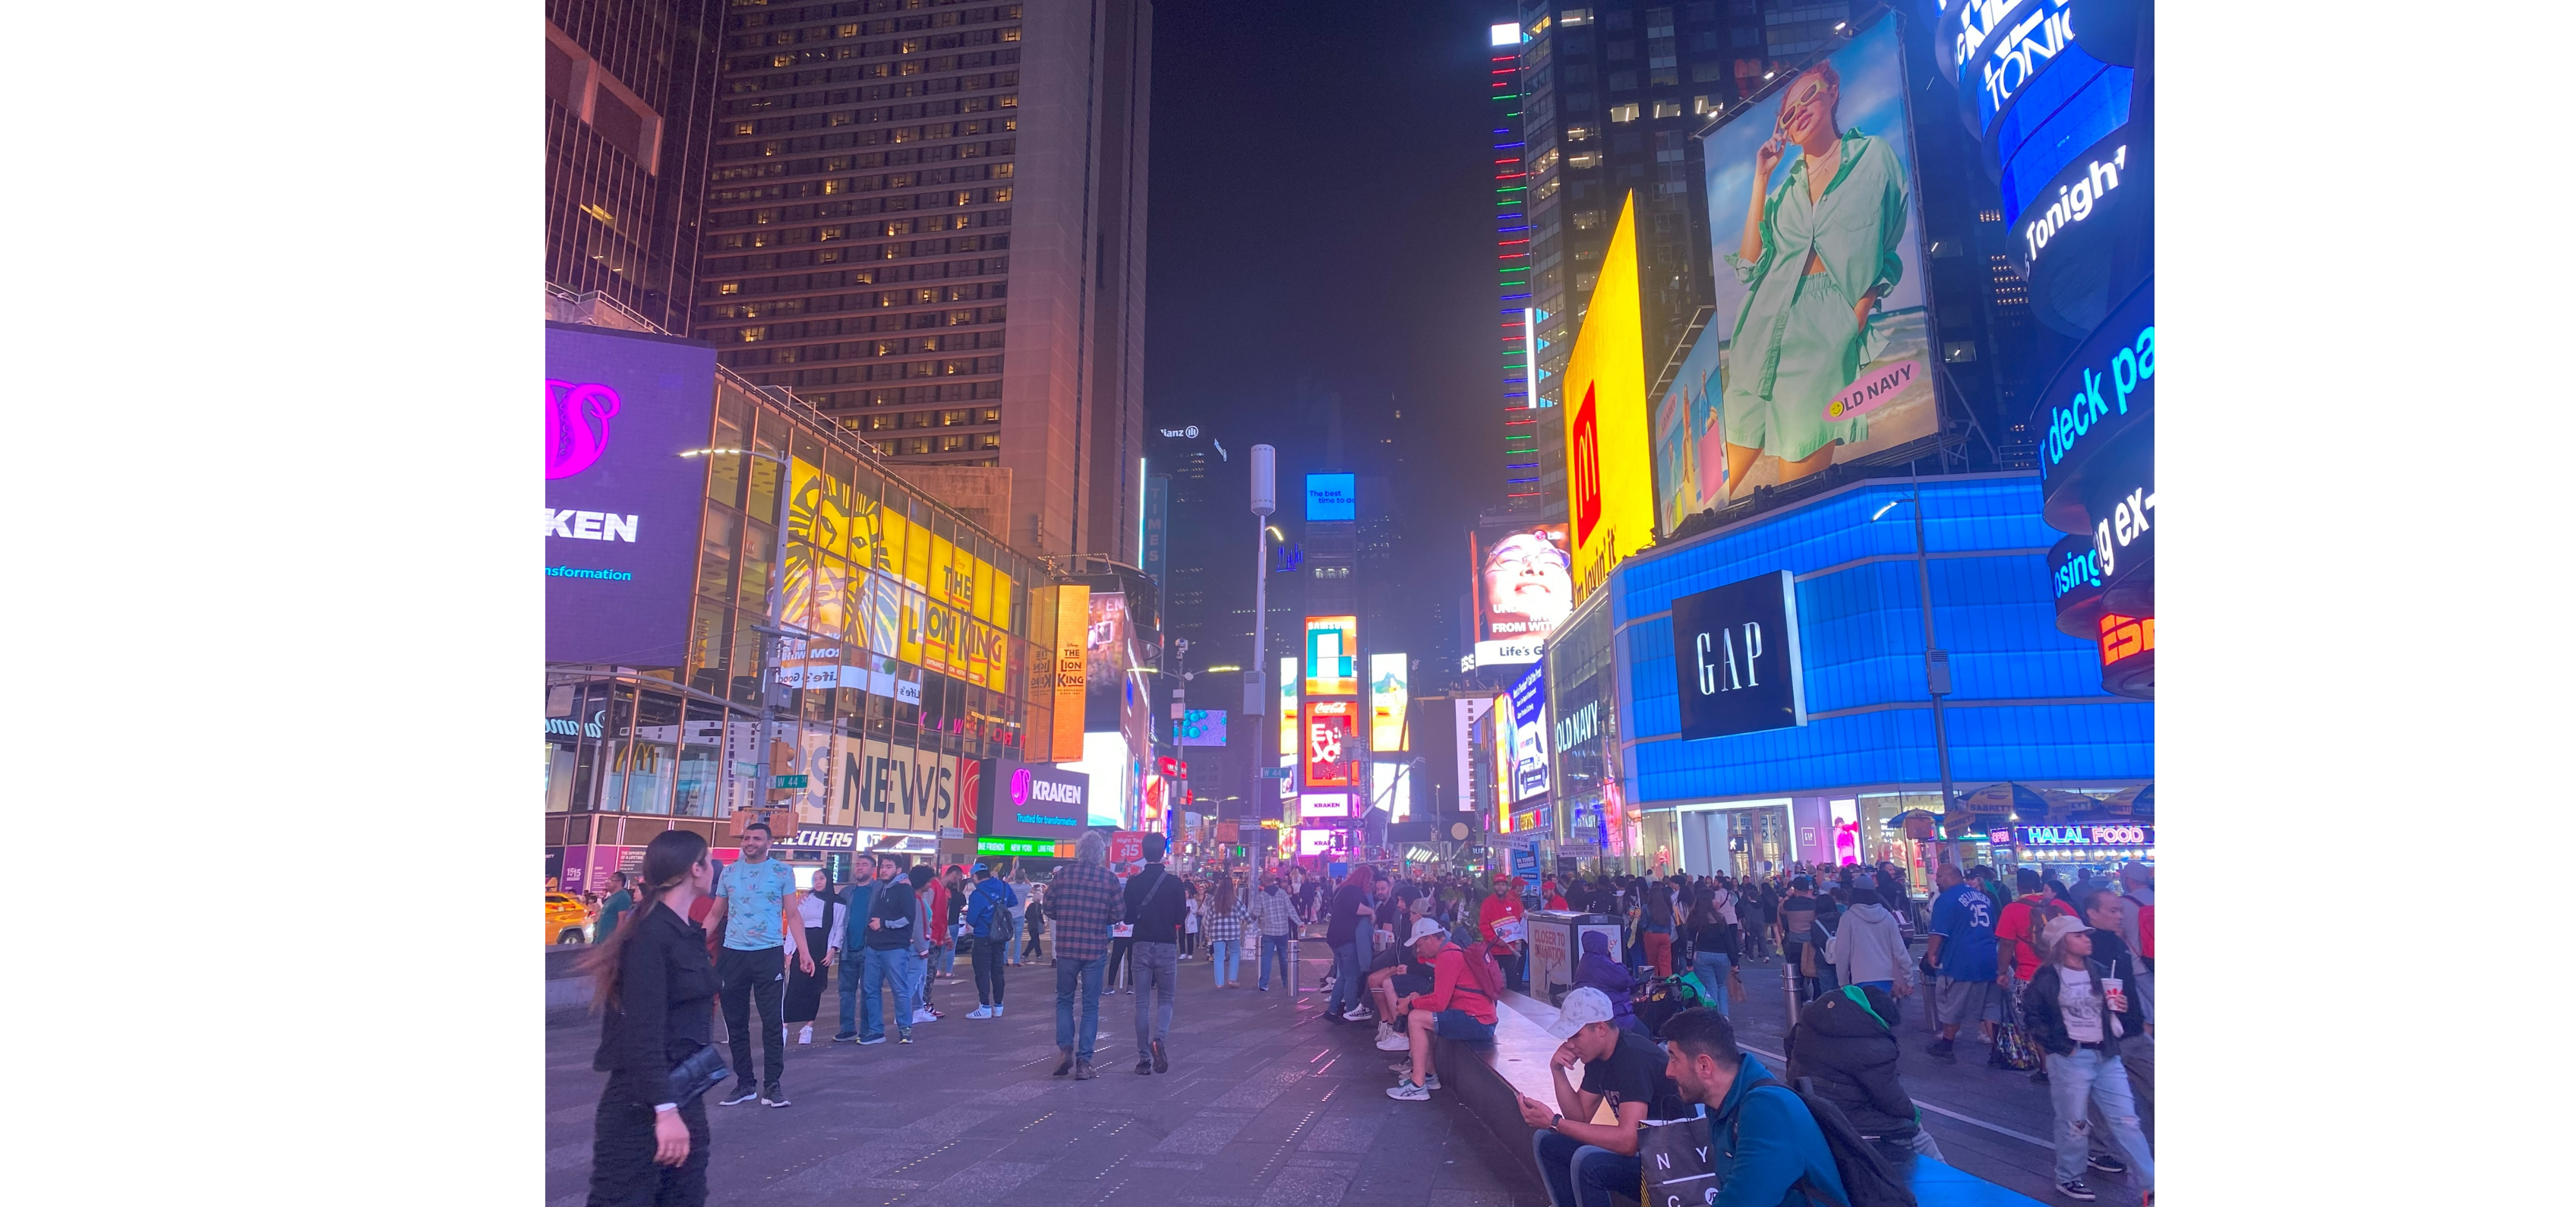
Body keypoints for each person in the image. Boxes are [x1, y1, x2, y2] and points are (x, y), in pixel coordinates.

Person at [1719, 58, 1910, 496]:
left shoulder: (1874, 156)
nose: (1801, 109)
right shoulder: (1783, 190)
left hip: (1824, 333)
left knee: (1795, 503)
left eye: (1811, 94)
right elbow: (1750, 265)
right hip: (1760, 330)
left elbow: (1886, 248)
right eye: (1789, 110)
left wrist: (1851, 320)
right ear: (1784, 128)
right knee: (1707, 498)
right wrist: (1760, 179)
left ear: (1833, 92)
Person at [581, 830, 720, 1207]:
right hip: (643, 1105)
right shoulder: (650, 936)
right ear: (696, 868)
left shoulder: (684, 931)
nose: (714, 869)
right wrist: (665, 1110)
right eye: (709, 861)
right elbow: (640, 1031)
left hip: (683, 1092)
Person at [1660, 1007, 1851, 1207]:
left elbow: (1743, 1201)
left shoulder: (1767, 1109)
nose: (1669, 1071)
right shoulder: (1722, 1104)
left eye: (1674, 1058)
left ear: (1704, 1066)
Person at [2022, 915, 2155, 1203]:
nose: (2087, 939)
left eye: (2086, 935)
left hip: (2105, 1054)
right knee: (2074, 1122)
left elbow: (2114, 1010)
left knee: (2127, 1121)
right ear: (2061, 943)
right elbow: (2033, 1015)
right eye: (2079, 935)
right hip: (2072, 1055)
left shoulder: (2100, 971)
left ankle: (2150, 1184)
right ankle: (2068, 1176)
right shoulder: (2048, 977)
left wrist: (2117, 1007)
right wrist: (2059, 1046)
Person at [1515, 987, 1690, 1202]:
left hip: (1673, 1164)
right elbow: (1579, 1119)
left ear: (1600, 1029)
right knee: (1546, 1141)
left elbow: (1628, 1142)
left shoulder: (1632, 1058)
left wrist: (1555, 1122)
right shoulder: (1598, 1056)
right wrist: (1557, 1071)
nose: (1569, 1044)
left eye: (1576, 1035)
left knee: (1588, 1162)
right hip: (1646, 1153)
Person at [699, 823, 807, 1108]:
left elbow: (793, 915)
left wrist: (802, 952)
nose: (750, 842)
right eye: (746, 838)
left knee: (772, 1021)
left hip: (768, 952)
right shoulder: (730, 873)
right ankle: (745, 1083)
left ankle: (773, 1085)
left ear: (769, 843)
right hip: (733, 954)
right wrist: (695, 942)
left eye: (757, 838)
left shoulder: (783, 872)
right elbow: (714, 914)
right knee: (735, 1022)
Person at [1785, 983, 1943, 1166]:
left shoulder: (1813, 1015)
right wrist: (1913, 1117)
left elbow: (1789, 1044)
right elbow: (1890, 1098)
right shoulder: (1873, 1045)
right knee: (1919, 1136)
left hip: (1803, 1100)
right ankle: (1949, 1186)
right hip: (1840, 1114)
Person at [1386, 918, 1500, 1101]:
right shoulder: (1451, 951)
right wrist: (1417, 1000)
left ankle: (1418, 1085)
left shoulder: (1448, 956)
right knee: (1421, 1016)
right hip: (1479, 1017)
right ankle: (1429, 1076)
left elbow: (1439, 1003)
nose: (1418, 951)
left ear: (1430, 938)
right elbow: (1441, 998)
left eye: (1419, 944)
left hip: (1476, 1021)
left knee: (1416, 1018)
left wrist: (1411, 1004)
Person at [1047, 832, 1119, 1080]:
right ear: (1100, 853)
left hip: (1067, 949)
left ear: (1078, 851)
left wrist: (1067, 916)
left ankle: (1065, 1049)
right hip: (1095, 949)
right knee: (1091, 1005)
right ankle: (1084, 1062)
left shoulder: (1062, 876)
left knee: (1064, 999)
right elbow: (1119, 913)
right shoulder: (1109, 878)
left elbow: (1048, 907)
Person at [1122, 834, 1188, 1073]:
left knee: (1141, 1002)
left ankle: (1144, 1059)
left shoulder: (1133, 883)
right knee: (1166, 998)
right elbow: (1180, 918)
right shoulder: (1174, 883)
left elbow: (1127, 917)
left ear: (1143, 851)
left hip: (1140, 945)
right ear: (1163, 852)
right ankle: (1158, 1039)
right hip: (1166, 946)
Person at [1924, 863, 2000, 1063]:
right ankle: (1998, 1049)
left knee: (1951, 1003)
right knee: (1989, 1007)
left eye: (1939, 876)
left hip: (1961, 960)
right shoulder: (1983, 897)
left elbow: (1938, 932)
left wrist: (1932, 953)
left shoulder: (1946, 899)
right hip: (1989, 958)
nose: (1937, 881)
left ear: (1951, 877)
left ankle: (1947, 1044)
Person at [854, 854, 924, 1045]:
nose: (884, 870)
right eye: (883, 866)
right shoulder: (881, 888)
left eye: (889, 867)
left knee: (899, 989)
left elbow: (909, 918)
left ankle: (905, 1029)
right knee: (870, 989)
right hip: (874, 947)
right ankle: (876, 1031)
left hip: (895, 948)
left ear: (898, 870)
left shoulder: (904, 890)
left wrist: (884, 923)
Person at [1825, 886, 1913, 1016]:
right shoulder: (1887, 917)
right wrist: (1908, 978)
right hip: (1886, 977)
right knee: (1884, 1016)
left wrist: (1843, 982)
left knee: (1866, 1017)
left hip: (1860, 977)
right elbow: (1900, 951)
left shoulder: (1848, 918)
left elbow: (1842, 953)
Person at [784, 870, 845, 1045]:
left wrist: (833, 950)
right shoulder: (805, 899)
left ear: (828, 880)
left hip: (822, 947)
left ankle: (808, 1027)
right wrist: (789, 952)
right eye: (814, 879)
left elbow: (839, 927)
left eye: (821, 878)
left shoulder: (838, 903)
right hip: (802, 945)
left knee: (814, 988)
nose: (818, 882)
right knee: (794, 987)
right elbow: (793, 924)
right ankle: (784, 1027)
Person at [831, 856, 882, 1043]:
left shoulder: (880, 889)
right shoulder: (846, 892)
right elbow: (829, 904)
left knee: (869, 990)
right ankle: (847, 1029)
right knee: (845, 992)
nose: (860, 868)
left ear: (873, 869)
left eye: (864, 865)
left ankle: (868, 1030)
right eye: (858, 864)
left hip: (870, 949)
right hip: (847, 948)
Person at [1323, 864, 1379, 1024]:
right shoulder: (1354, 891)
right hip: (1347, 940)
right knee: (1352, 978)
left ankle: (1333, 1010)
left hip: (1336, 939)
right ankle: (1352, 1011)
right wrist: (1371, 911)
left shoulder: (1343, 889)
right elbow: (1356, 908)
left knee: (1344, 976)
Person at [965, 862, 1018, 1019]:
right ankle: (999, 1005)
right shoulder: (1004, 886)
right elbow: (1013, 902)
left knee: (982, 972)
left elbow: (972, 920)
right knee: (997, 970)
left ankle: (985, 1007)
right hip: (1000, 936)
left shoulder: (977, 894)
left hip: (983, 937)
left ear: (975, 877)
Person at [1574, 930, 1644, 1035]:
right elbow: (1624, 978)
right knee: (1645, 1031)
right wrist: (1617, 963)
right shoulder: (1601, 962)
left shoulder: (1585, 962)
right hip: (1615, 1014)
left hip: (1597, 1015)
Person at [2112, 863, 2155, 1032]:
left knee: (2148, 1015)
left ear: (2128, 879)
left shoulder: (2122, 904)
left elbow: (2117, 933)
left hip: (2140, 965)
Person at [1686, 892, 1742, 1016]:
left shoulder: (1694, 919)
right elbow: (1729, 941)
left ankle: (1714, 1016)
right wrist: (1735, 961)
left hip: (1703, 955)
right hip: (1722, 956)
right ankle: (1724, 1015)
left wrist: (1689, 961)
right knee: (1721, 985)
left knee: (1710, 986)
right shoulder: (1720, 918)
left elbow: (1690, 942)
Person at [1476, 873, 1529, 992]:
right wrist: (1496, 940)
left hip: (1510, 950)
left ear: (1506, 886)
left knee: (1513, 983)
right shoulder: (1488, 903)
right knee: (1493, 984)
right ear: (1494, 887)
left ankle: (1515, 1008)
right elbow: (1484, 926)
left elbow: (1516, 922)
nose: (1500, 887)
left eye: (1503, 885)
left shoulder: (1512, 903)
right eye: (1498, 885)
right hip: (1493, 951)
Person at [1777, 877, 1820, 1000]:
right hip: (1812, 943)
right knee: (1816, 974)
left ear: (1794, 889)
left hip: (1795, 942)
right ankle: (1817, 1000)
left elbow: (1780, 909)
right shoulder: (1814, 904)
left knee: (1798, 975)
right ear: (1808, 889)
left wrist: (1787, 895)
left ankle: (1800, 1001)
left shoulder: (1789, 905)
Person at [1207, 875, 1251, 987]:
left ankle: (1219, 984)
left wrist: (1207, 933)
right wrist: (1251, 919)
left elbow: (1207, 919)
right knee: (1235, 954)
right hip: (1233, 932)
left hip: (1216, 933)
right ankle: (1232, 980)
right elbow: (1246, 917)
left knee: (1219, 957)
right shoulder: (1236, 901)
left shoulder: (1213, 901)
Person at [1256, 875, 1299, 991]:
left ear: (1264, 882)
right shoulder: (1282, 893)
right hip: (1283, 930)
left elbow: (1256, 912)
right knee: (1284, 956)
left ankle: (1264, 983)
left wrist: (1251, 918)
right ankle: (1286, 981)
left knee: (1267, 957)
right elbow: (1290, 909)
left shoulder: (1262, 896)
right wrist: (1299, 923)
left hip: (1268, 931)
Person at [595, 872, 636, 945]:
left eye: (610, 880)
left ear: (619, 883)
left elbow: (622, 921)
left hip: (610, 942)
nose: (607, 883)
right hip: (601, 940)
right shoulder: (612, 897)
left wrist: (615, 940)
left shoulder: (623, 897)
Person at [1005, 870, 1032, 965]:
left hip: (1009, 915)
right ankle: (1016, 960)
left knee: (1007, 939)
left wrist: (1010, 875)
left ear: (1015, 878)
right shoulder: (1026, 888)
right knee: (1018, 939)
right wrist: (1025, 877)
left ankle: (1005, 960)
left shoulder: (1011, 887)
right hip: (1020, 916)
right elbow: (1030, 886)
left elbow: (1004, 884)